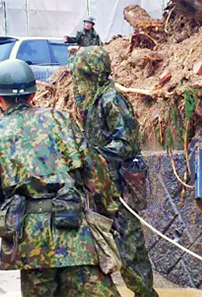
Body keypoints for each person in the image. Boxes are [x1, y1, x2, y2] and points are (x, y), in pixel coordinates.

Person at [0, 59, 121, 296]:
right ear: (33, 94)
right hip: (76, 235)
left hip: (32, 246)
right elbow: (96, 173)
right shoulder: (62, 120)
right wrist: (109, 216)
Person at [71, 46, 158, 297]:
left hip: (118, 189)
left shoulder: (111, 100)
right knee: (101, 243)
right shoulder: (94, 100)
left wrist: (98, 154)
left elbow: (127, 143)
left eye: (82, 77)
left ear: (93, 74)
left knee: (130, 249)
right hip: (101, 187)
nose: (78, 84)